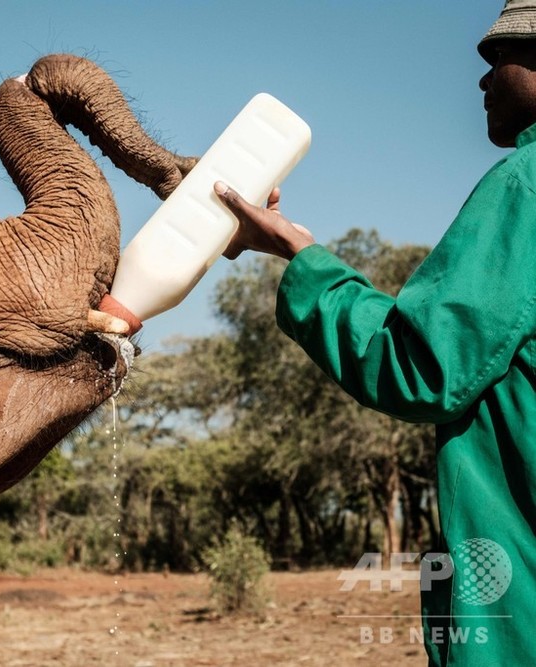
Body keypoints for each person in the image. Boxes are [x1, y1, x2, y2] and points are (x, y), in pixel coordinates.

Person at [213, 2, 536, 665]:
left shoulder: (526, 187)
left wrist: (300, 258)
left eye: (500, 58)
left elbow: (421, 363)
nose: (482, 80)